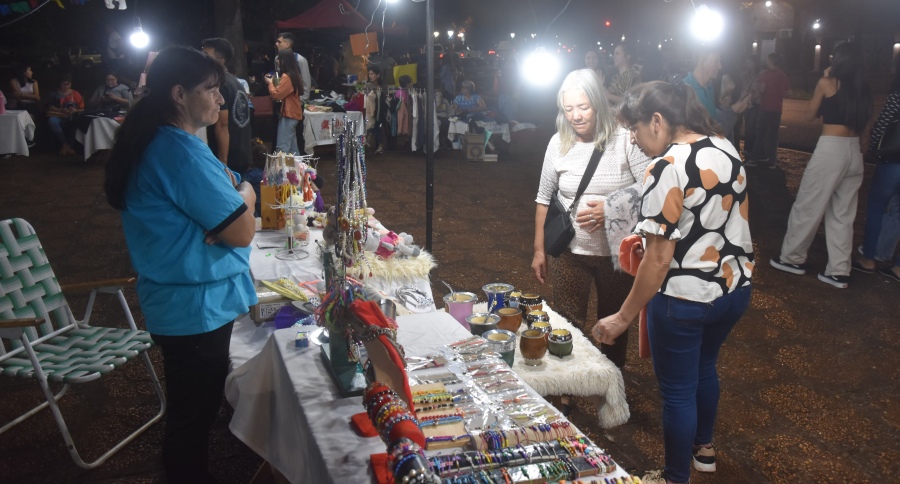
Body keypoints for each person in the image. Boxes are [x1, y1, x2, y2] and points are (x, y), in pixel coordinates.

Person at [103, 46, 257, 484]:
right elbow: (242, 230)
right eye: (211, 90)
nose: (220, 101)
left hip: (183, 301)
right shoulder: (177, 151)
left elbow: (225, 209)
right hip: (195, 307)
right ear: (178, 93)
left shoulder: (165, 141)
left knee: (193, 410)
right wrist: (245, 192)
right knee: (193, 417)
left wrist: (230, 199)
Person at [595, 80, 753, 484]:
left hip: (685, 299)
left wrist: (622, 317)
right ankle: (705, 452)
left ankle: (674, 477)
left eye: (635, 128)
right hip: (732, 290)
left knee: (678, 392)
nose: (633, 138)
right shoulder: (725, 146)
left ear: (658, 120)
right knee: (705, 369)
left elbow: (659, 258)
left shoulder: (667, 166)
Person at [532, 69, 652, 375]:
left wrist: (610, 208)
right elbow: (544, 198)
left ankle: (611, 382)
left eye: (583, 107)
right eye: (568, 109)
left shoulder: (626, 138)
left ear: (598, 104)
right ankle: (568, 386)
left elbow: (652, 185)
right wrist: (538, 250)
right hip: (571, 252)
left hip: (617, 254)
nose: (576, 116)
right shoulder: (558, 142)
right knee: (567, 321)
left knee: (613, 320)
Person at [770, 42, 872, 288]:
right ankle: (839, 271)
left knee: (808, 205)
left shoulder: (828, 83)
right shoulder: (864, 90)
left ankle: (792, 258)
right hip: (854, 151)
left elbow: (809, 115)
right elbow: (866, 128)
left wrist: (824, 80)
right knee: (843, 214)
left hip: (831, 149)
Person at [853, 54, 900, 281]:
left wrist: (871, 147)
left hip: (893, 160)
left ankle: (869, 258)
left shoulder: (897, 95)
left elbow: (883, 124)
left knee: (876, 206)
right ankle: (898, 267)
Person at [201, 38, 253, 173]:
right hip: (242, 152)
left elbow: (222, 124)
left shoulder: (220, 84)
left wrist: (222, 162)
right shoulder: (235, 82)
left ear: (220, 61)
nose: (201, 58)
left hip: (230, 157)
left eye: (206, 55)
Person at [747, 53, 791, 168]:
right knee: (773, 135)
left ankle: (753, 159)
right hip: (777, 109)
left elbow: (762, 89)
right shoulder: (783, 76)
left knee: (760, 134)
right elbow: (788, 92)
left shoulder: (766, 74)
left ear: (771, 61)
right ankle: (772, 160)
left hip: (765, 107)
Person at [266, 49, 304, 155]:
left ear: (284, 61)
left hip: (289, 114)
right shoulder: (294, 75)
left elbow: (277, 94)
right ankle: (299, 170)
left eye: (279, 59)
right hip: (293, 114)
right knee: (293, 149)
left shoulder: (287, 77)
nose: (277, 61)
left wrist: (270, 83)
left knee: (282, 148)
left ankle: (282, 171)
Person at [45, 76, 84, 157]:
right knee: (52, 121)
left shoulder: (76, 94)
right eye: (64, 84)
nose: (66, 86)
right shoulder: (54, 94)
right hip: (59, 116)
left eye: (68, 84)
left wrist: (75, 111)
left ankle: (67, 147)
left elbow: (82, 108)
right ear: (60, 84)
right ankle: (65, 143)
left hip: (73, 117)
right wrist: (61, 110)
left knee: (77, 125)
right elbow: (50, 106)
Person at [365, 65, 389, 154]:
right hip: (371, 110)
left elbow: (385, 98)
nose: (370, 76)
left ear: (378, 75)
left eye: (372, 74)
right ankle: (379, 144)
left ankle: (376, 143)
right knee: (374, 126)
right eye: (369, 74)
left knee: (376, 126)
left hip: (380, 109)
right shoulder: (367, 85)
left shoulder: (383, 86)